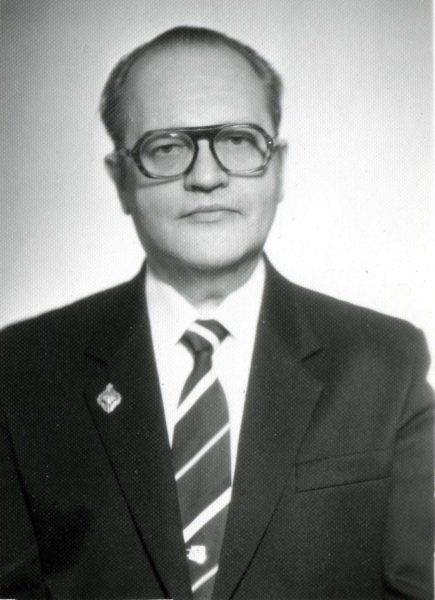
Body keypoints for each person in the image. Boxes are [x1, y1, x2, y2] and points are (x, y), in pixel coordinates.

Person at [0, 26, 433, 600]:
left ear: (278, 167)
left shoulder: (385, 362)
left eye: (238, 140)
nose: (206, 177)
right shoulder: (23, 368)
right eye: (166, 147)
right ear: (121, 179)